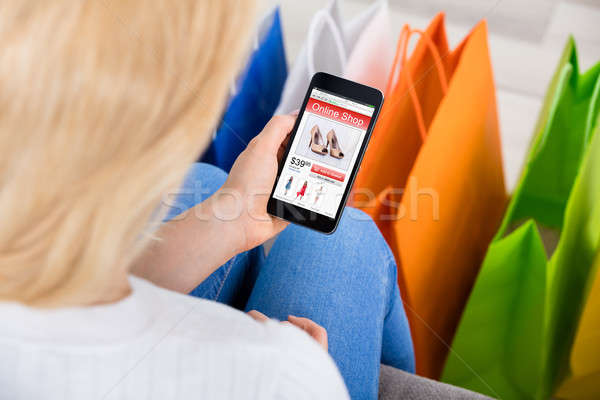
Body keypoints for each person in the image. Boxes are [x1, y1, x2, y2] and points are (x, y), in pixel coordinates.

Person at [0, 1, 414, 400]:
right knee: (341, 236)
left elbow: (72, 313)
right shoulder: (281, 375)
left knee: (206, 181)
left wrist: (231, 216)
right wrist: (300, 368)